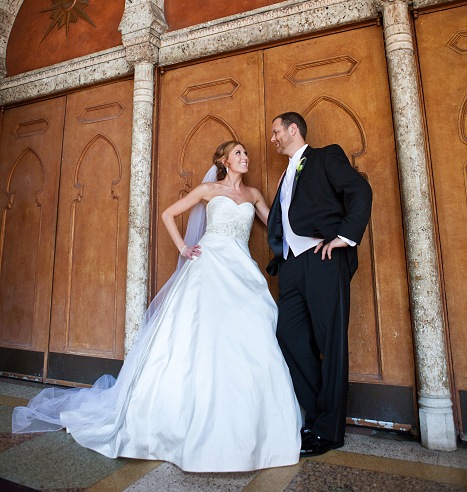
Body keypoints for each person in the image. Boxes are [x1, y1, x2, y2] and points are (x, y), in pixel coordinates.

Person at [13, 140, 301, 473]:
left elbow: (276, 227)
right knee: (198, 336)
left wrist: (286, 193)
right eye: (238, 153)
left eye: (246, 153)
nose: (245, 157)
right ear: (223, 160)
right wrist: (183, 247)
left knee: (248, 335)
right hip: (208, 266)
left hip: (241, 269)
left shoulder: (253, 196)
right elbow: (168, 214)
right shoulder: (208, 188)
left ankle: (250, 424)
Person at [267, 112, 372, 457]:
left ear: (293, 129)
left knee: (332, 341)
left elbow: (359, 189)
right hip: (292, 266)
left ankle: (329, 431)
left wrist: (343, 237)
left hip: (324, 258)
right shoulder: (285, 176)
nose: (273, 139)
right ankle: (315, 415)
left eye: (276, 132)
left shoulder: (326, 156)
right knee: (289, 335)